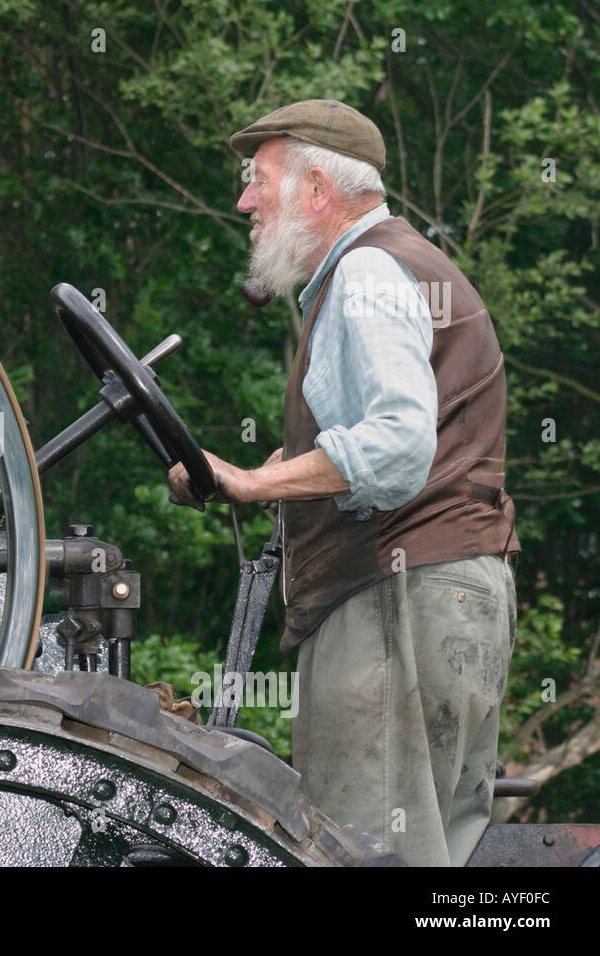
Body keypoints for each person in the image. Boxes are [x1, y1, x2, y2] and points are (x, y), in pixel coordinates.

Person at [167, 99, 519, 866]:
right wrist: (258, 476)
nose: (244, 202)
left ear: (318, 189)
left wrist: (255, 488)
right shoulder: (403, 266)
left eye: (257, 180)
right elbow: (384, 445)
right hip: (457, 594)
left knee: (361, 854)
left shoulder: (364, 272)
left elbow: (395, 447)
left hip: (396, 602)